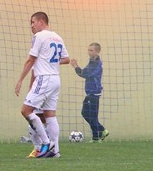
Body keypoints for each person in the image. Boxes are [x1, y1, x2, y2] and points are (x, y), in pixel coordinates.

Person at [15, 11, 69, 157]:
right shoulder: (57, 37)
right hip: (55, 79)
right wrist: (49, 61)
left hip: (44, 78)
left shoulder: (39, 36)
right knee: (49, 114)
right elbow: (66, 59)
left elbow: (30, 59)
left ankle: (45, 144)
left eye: (33, 22)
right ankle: (55, 151)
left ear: (41, 21)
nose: (31, 26)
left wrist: (20, 80)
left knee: (26, 110)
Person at [71, 43, 107, 142]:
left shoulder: (97, 63)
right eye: (89, 50)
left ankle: (102, 130)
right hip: (90, 92)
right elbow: (83, 72)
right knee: (90, 115)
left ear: (97, 51)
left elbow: (85, 74)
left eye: (91, 50)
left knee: (87, 114)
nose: (89, 52)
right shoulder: (91, 62)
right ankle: (96, 137)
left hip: (94, 92)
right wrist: (77, 67)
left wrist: (75, 66)